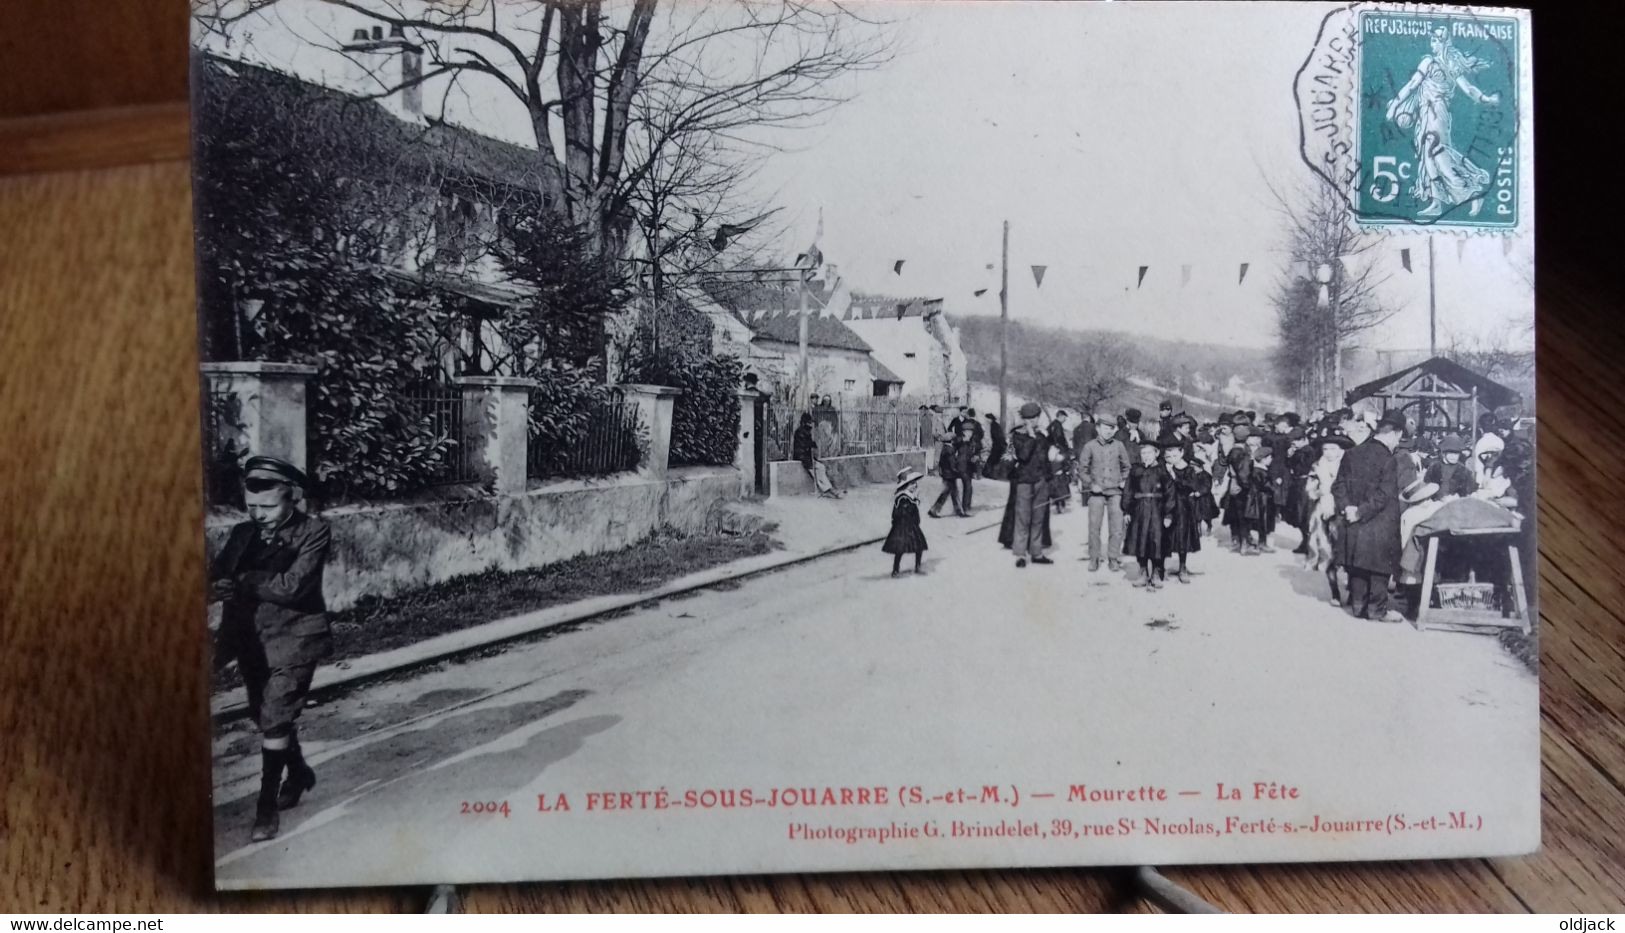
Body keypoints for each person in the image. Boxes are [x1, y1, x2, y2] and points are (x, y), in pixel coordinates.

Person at [210, 456, 333, 842]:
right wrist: (218, 587)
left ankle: (265, 808)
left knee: (276, 716)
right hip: (251, 638)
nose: (258, 514)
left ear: (291, 498)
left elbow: (293, 587)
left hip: (296, 637)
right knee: (261, 713)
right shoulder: (242, 534)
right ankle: (298, 772)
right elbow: (216, 575)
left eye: (267, 506)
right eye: (251, 507)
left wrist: (243, 581)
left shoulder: (314, 532)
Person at [1332, 411, 1407, 623]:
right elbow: (1384, 496)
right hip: (1378, 523)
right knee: (1379, 566)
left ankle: (1358, 606)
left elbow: (1338, 486)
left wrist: (1348, 508)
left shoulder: (1351, 453)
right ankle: (1377, 610)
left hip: (1353, 520)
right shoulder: (1388, 460)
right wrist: (1361, 511)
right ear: (1395, 433)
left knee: (1357, 561)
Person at [1079, 415, 1132, 572]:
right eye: (1105, 427)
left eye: (1112, 428)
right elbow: (1082, 470)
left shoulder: (1119, 445)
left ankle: (1113, 558)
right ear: (1098, 428)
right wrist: (1091, 484)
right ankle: (1094, 558)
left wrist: (1124, 480)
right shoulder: (1089, 446)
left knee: (1117, 527)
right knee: (1094, 527)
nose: (1109, 431)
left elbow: (1127, 467)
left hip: (1116, 492)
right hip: (1096, 494)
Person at [1006, 402, 1053, 567]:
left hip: (1041, 480)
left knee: (1038, 519)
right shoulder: (1018, 435)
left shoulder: (1042, 435)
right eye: (1029, 419)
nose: (1032, 421)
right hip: (1025, 481)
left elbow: (1045, 456)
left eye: (1035, 418)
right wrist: (1032, 437)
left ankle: (1036, 552)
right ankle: (1020, 555)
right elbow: (1024, 455)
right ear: (1024, 419)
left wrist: (1048, 477)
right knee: (1023, 518)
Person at [1122, 440, 1169, 588]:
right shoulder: (1135, 470)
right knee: (1139, 540)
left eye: (1149, 453)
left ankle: (1156, 571)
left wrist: (1168, 514)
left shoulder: (1162, 470)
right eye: (1143, 453)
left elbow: (1170, 492)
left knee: (1157, 540)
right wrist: (1126, 510)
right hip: (1139, 511)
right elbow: (1128, 491)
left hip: (1157, 510)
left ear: (1156, 453)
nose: (1146, 456)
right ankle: (1142, 571)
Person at [1162, 440, 1203, 583]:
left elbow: (1191, 486)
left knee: (1182, 536)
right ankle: (1161, 567)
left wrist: (1174, 476)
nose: (1171, 459)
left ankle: (1182, 566)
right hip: (1167, 506)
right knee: (1164, 535)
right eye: (1168, 457)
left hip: (1183, 507)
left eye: (1174, 455)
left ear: (1181, 453)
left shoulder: (1189, 469)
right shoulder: (1165, 469)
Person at [882, 468, 928, 577]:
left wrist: (914, 501)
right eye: (912, 484)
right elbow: (900, 513)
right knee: (900, 548)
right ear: (905, 485)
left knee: (919, 546)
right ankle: (895, 570)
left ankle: (917, 566)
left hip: (912, 526)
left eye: (915, 483)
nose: (915, 486)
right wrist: (913, 503)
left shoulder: (909, 497)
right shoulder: (902, 498)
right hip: (903, 527)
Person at [792, 413, 842, 497]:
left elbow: (809, 444)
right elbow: (802, 445)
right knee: (815, 471)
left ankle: (828, 488)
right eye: (809, 422)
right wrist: (811, 444)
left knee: (821, 467)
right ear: (804, 422)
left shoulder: (807, 432)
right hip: (801, 456)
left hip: (807, 456)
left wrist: (812, 444)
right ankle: (826, 489)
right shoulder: (800, 432)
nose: (810, 424)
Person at [1242, 445, 1276, 555]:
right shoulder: (1259, 472)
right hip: (1260, 500)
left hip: (1261, 499)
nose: (1271, 460)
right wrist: (1274, 487)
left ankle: (1261, 542)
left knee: (1263, 521)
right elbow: (1265, 485)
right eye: (1269, 458)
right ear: (1263, 459)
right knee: (1261, 521)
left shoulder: (1259, 470)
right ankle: (1260, 543)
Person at [1426, 434, 1478, 499]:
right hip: (1435, 505)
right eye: (1451, 453)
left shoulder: (1464, 471)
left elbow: (1471, 491)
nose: (1454, 457)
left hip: (1455, 505)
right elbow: (1426, 489)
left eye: (1456, 453)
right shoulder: (1434, 468)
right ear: (1444, 453)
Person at [1047, 410, 1074, 513]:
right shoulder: (1057, 426)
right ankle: (1060, 501)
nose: (1065, 420)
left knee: (1055, 476)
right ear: (1060, 416)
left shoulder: (1051, 425)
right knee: (1061, 477)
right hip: (1058, 453)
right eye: (1064, 417)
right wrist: (1065, 451)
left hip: (1052, 454)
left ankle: (1056, 499)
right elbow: (1059, 440)